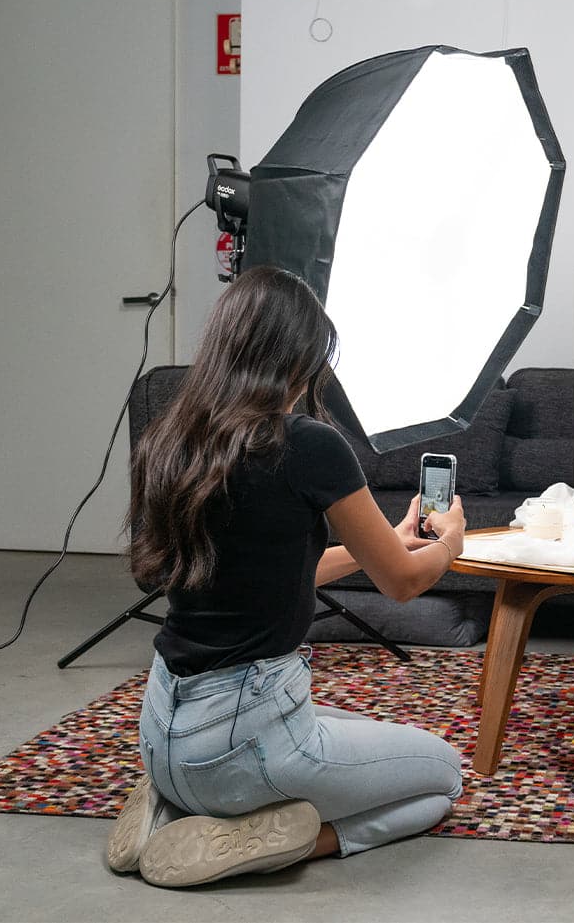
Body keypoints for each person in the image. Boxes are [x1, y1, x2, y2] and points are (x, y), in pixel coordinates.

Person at [106, 265, 466, 888]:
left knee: (355, 727)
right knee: (441, 776)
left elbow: (259, 569)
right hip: (241, 741)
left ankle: (170, 802)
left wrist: (380, 545)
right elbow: (403, 583)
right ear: (298, 359)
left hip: (164, 727)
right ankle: (290, 838)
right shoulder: (306, 443)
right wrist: (451, 542)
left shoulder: (173, 438)